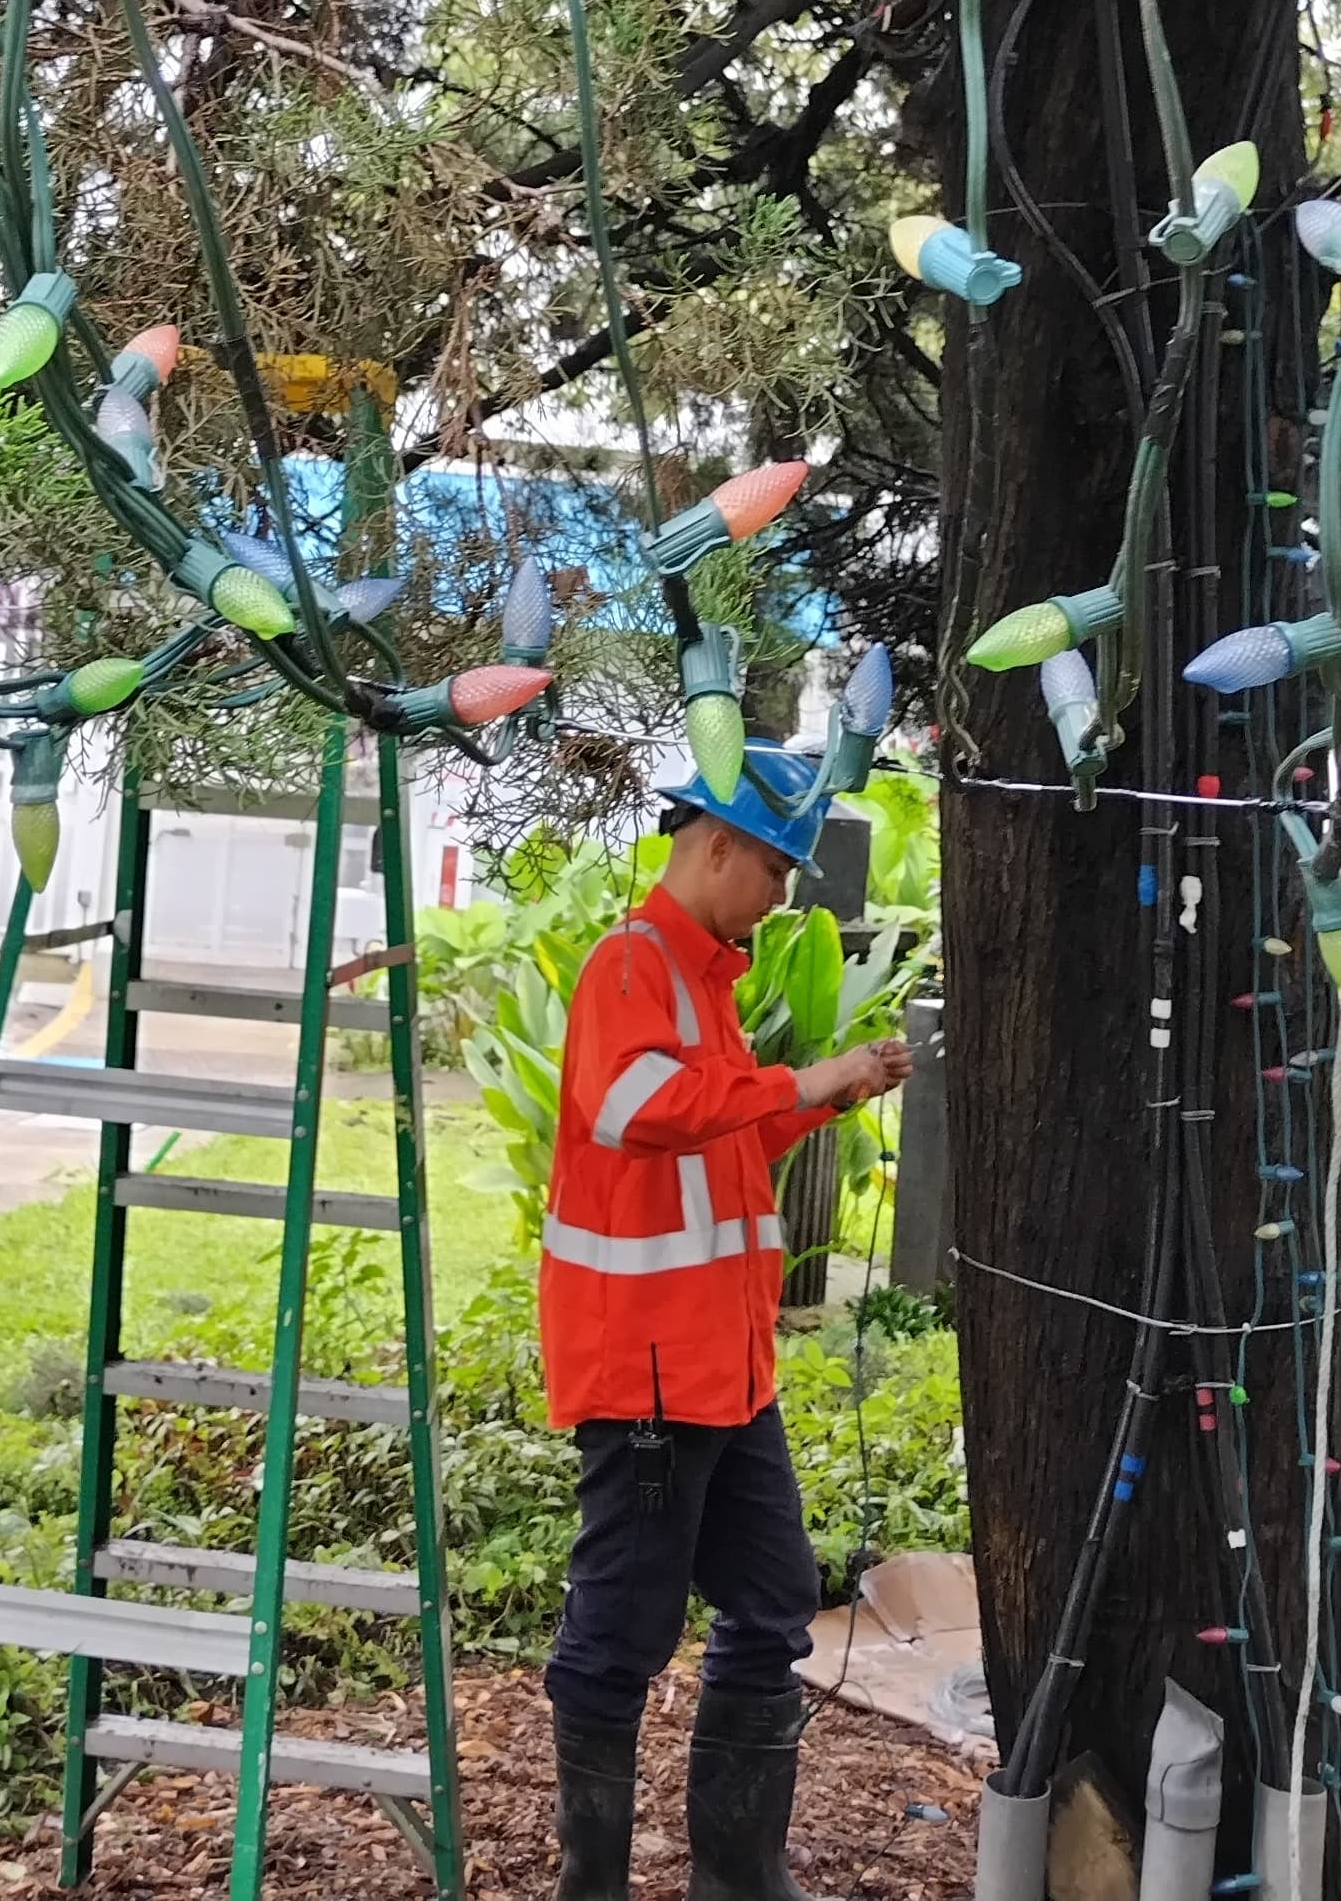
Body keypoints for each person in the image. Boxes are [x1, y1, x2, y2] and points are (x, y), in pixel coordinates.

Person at [539, 741, 912, 1901]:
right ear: (717, 848)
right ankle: (589, 1885)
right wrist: (800, 1081)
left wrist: (821, 1099)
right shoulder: (630, 965)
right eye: (778, 871)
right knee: (619, 1638)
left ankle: (737, 1880)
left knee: (774, 1599)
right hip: (649, 1369)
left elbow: (715, 1144)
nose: (783, 896)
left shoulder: (701, 983)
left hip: (722, 1369)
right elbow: (638, 1108)